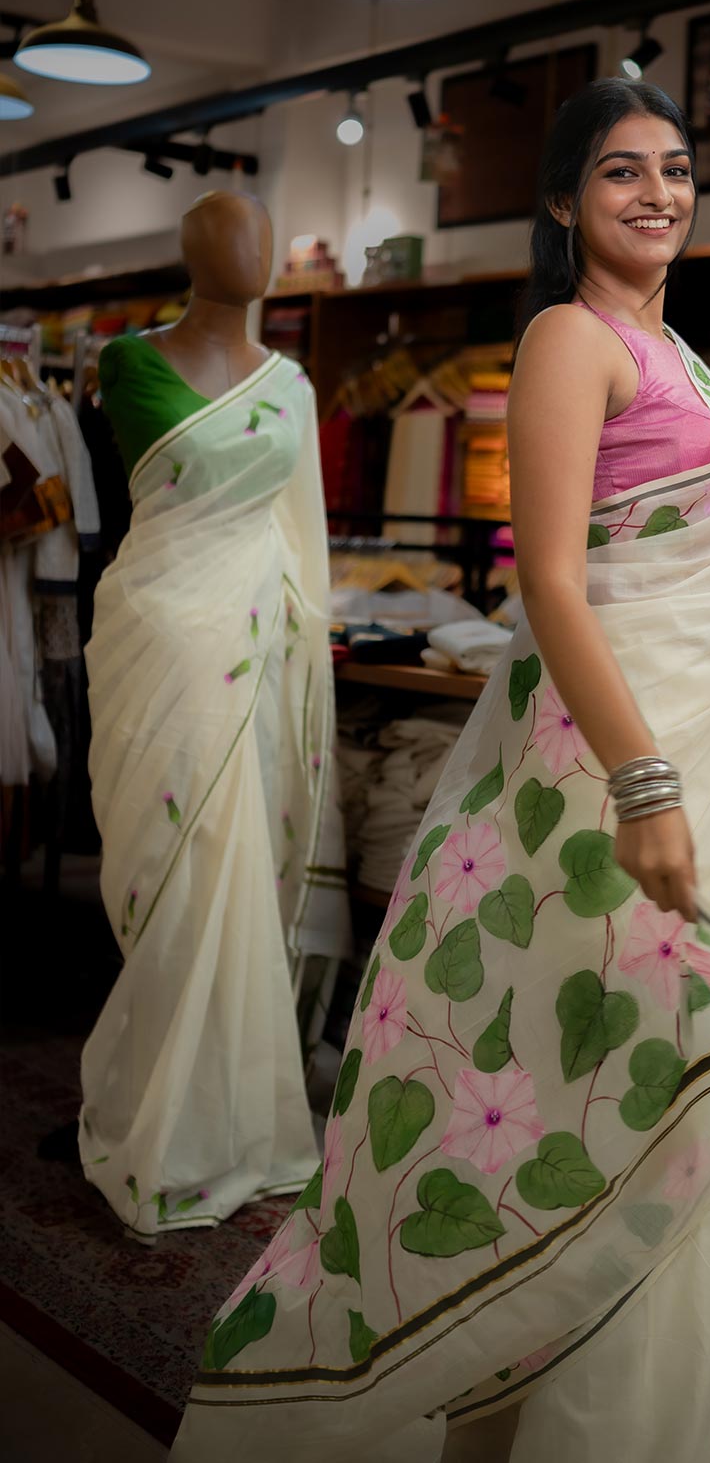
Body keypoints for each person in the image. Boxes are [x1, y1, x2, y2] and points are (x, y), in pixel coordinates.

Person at [170, 84, 710, 1463]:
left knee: (655, 1079)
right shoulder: (572, 337)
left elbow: (653, 533)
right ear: (563, 200)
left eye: (676, 169)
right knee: (593, 1078)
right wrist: (642, 788)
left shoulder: (678, 352)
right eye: (622, 171)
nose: (658, 193)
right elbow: (553, 582)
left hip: (693, 743)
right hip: (614, 770)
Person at [79, 191, 349, 1238]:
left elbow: (302, 527)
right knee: (172, 879)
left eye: (261, 235)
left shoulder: (293, 386)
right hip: (163, 635)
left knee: (235, 875)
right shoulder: (126, 362)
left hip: (255, 642)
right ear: (193, 251)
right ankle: (164, 1118)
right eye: (230, 234)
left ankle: (236, 1125)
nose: (252, 252)